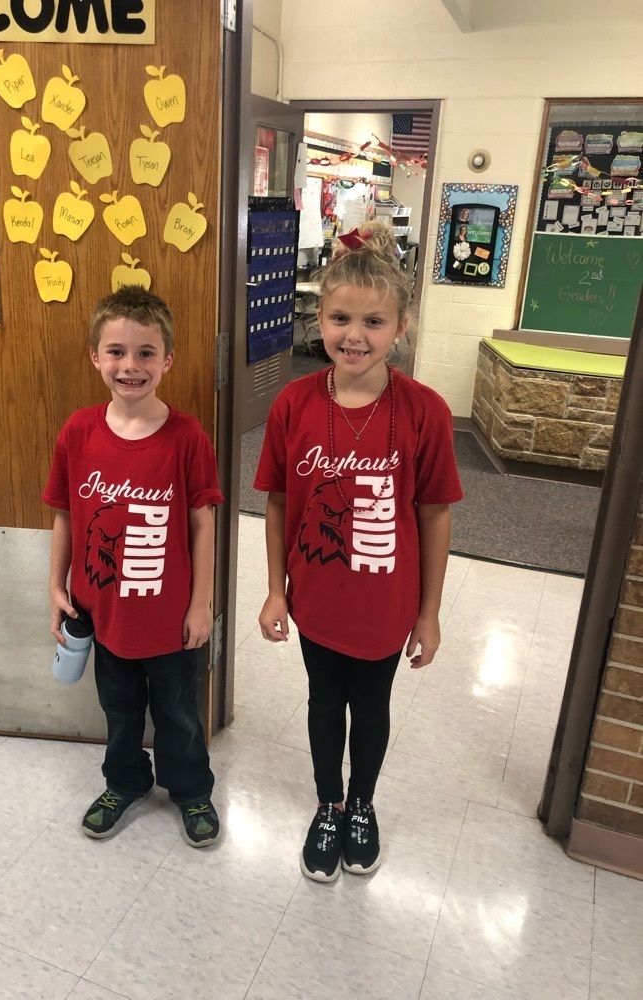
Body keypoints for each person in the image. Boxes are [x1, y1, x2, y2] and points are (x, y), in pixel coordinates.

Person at [254, 223, 462, 882]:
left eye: (374, 321)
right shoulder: (293, 403)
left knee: (370, 709)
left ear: (400, 327)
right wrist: (276, 590)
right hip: (316, 598)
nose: (354, 335)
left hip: (386, 603)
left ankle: (362, 805)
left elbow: (435, 514)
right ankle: (329, 804)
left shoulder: (425, 411)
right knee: (323, 704)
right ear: (319, 320)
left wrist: (429, 613)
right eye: (340, 318)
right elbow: (279, 503)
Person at [43, 287, 223, 847]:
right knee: (119, 710)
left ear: (168, 360)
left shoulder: (187, 437)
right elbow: (65, 515)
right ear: (94, 357)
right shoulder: (78, 432)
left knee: (179, 713)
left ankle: (190, 790)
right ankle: (125, 781)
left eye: (146, 352)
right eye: (116, 351)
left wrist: (202, 605)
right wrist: (54, 586)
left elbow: (202, 525)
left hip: (170, 619)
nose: (130, 365)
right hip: (105, 616)